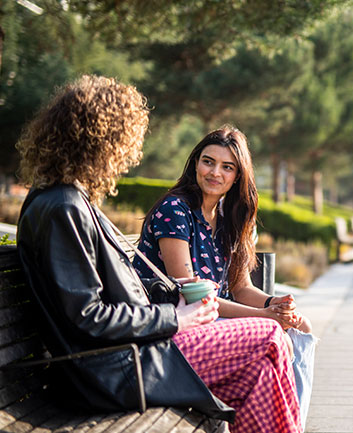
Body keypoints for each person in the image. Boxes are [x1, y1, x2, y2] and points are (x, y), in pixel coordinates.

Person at [15, 75, 302, 433]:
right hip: (116, 367)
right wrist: (175, 318)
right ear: (102, 142)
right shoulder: (62, 208)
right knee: (271, 337)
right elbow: (87, 317)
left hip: (132, 353)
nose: (127, 157)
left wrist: (171, 304)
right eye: (124, 144)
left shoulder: (67, 200)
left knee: (259, 374)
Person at [133, 126, 316, 425]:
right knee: (275, 339)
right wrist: (268, 317)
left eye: (227, 167)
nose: (215, 172)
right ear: (195, 164)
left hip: (214, 318)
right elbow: (194, 297)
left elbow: (241, 288)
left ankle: (294, 425)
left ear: (238, 176)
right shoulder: (175, 210)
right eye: (208, 161)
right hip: (176, 327)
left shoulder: (228, 217)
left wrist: (276, 303)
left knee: (300, 329)